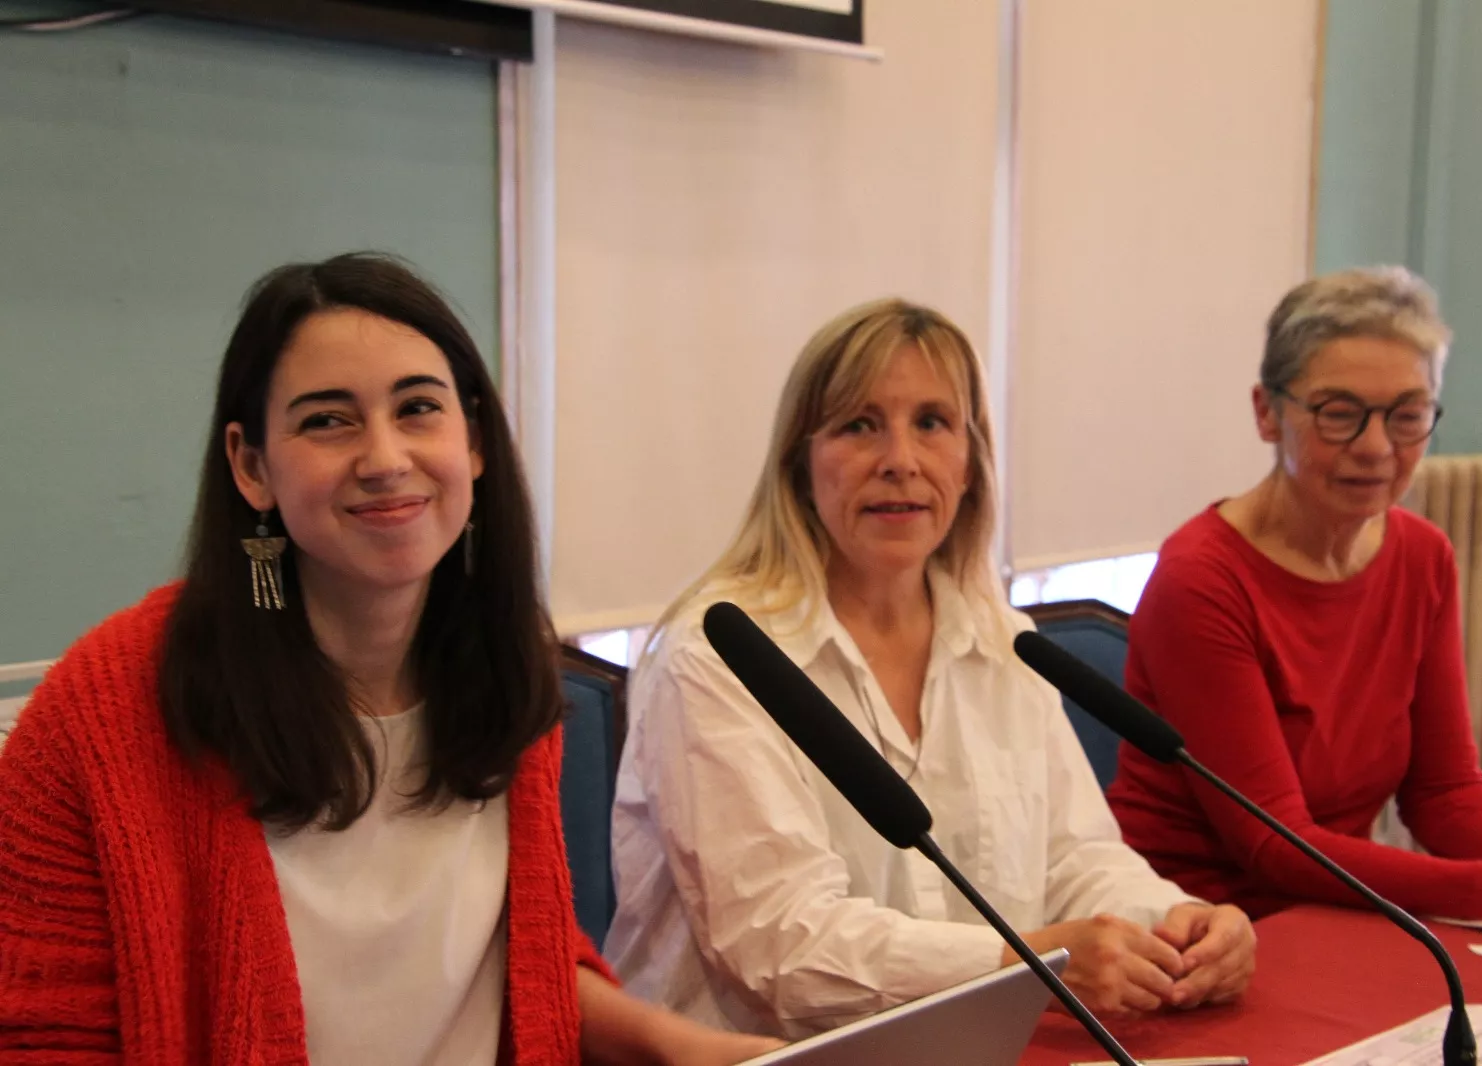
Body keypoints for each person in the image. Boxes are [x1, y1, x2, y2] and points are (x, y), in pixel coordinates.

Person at [0, 253, 779, 1065]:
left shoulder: (504, 675)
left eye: (417, 409)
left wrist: (675, 1046)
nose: (383, 458)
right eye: (328, 420)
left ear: (472, 440)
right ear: (251, 465)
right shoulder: (106, 711)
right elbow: (37, 1039)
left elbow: (512, 964)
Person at [604, 298, 1255, 1039]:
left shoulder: (1002, 641)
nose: (901, 461)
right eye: (859, 425)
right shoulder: (719, 657)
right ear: (799, 463)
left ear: (970, 462)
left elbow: (1076, 860)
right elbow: (780, 948)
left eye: (932, 423)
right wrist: (1033, 964)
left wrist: (1176, 925)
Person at [1107, 266, 1482, 926]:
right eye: (1339, 414)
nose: (1375, 448)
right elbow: (1272, 844)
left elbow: (1445, 791)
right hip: (1197, 929)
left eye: (1407, 416)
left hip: (1342, 914)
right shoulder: (1201, 577)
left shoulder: (1423, 555)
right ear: (1267, 413)